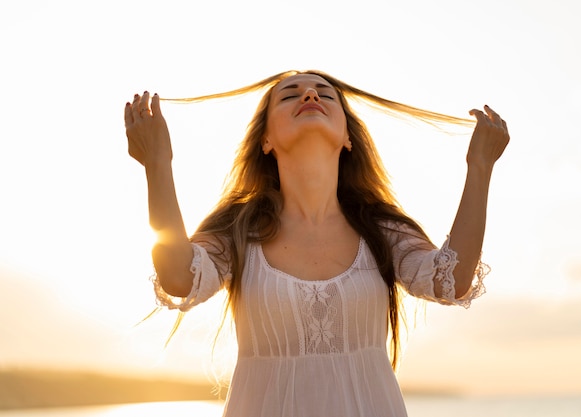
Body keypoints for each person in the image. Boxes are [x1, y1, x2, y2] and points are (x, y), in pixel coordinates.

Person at [123, 70, 509, 417]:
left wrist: (480, 167)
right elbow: (178, 277)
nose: (310, 95)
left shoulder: (381, 229)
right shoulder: (237, 228)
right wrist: (158, 164)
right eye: (290, 95)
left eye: (324, 93)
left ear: (347, 138)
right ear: (266, 140)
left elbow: (451, 279)